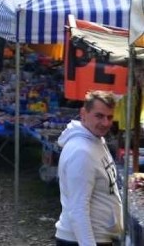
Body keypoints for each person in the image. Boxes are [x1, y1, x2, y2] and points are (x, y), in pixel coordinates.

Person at [54, 90, 121, 246]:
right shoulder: (81, 152)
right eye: (99, 116)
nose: (105, 123)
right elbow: (78, 208)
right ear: (83, 113)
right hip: (82, 239)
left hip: (95, 237)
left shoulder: (96, 140)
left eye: (109, 117)